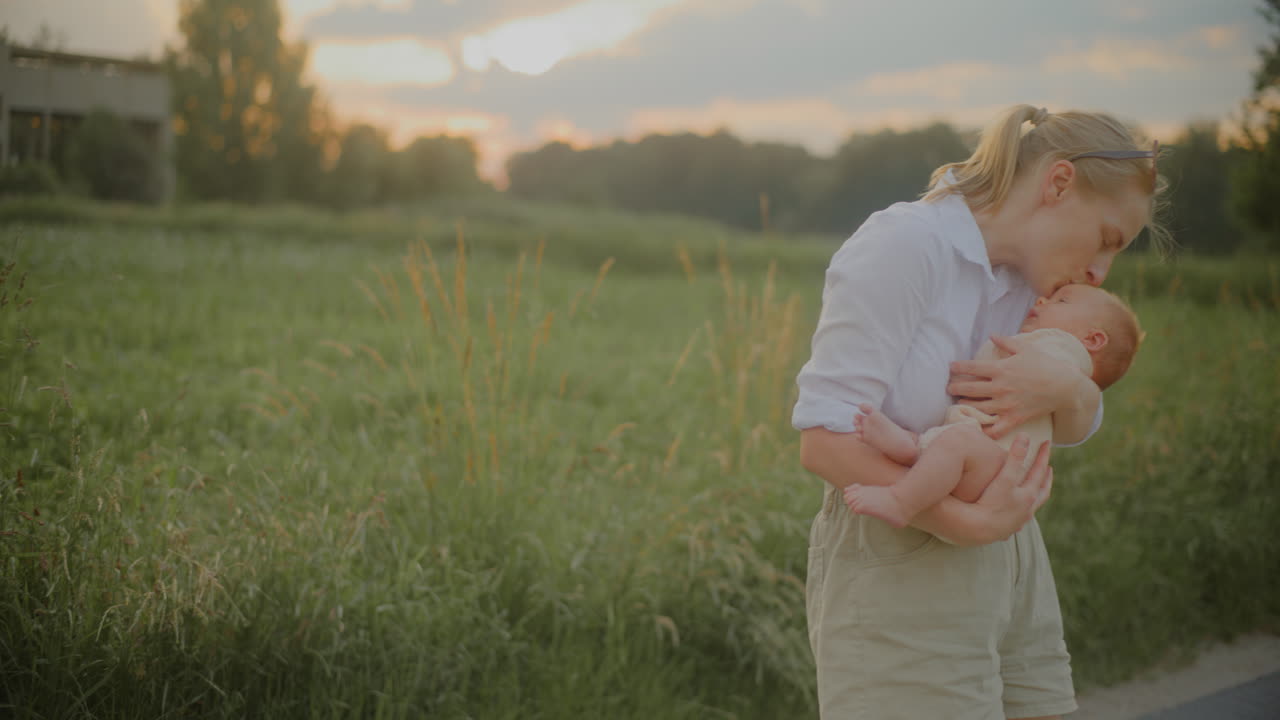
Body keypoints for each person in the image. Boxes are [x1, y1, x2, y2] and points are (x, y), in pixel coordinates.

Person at [794, 103, 1166, 720]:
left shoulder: (1033, 283)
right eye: (1107, 239)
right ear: (1058, 182)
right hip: (903, 554)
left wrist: (1070, 389)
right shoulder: (906, 244)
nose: (1101, 273)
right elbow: (825, 442)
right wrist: (961, 523)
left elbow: (1077, 420)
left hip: (1016, 563)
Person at [843, 283, 1143, 529]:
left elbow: (1001, 362)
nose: (1042, 300)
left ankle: (900, 502)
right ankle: (907, 447)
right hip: (987, 462)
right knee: (944, 445)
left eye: (1061, 301)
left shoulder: (1063, 352)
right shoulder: (1060, 367)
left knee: (955, 443)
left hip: (996, 469)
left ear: (1092, 339)